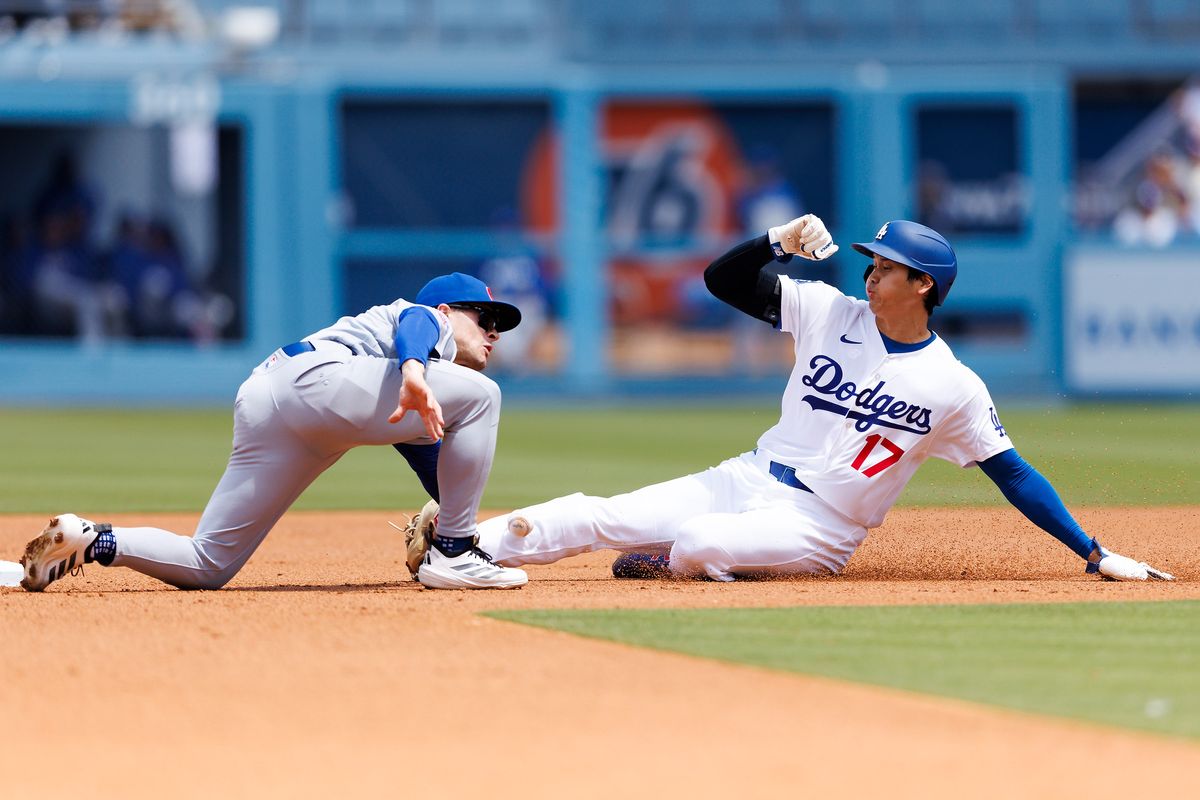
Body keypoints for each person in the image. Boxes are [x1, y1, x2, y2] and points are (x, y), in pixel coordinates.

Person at [422, 216, 1173, 583]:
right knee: (603, 512)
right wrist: (772, 242)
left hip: (823, 526)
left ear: (924, 287)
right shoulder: (830, 312)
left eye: (887, 267)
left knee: (702, 546)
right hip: (748, 474)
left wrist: (1093, 553)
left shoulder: (954, 386)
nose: (871, 274)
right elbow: (725, 282)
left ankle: (669, 561)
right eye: (872, 262)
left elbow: (1014, 473)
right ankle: (462, 546)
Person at [18, 272, 529, 591]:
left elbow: (435, 463)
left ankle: (90, 540)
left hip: (271, 402)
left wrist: (445, 514)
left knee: (209, 564)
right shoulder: (423, 324)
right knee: (486, 395)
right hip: (317, 379)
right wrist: (415, 369)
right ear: (447, 312)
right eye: (483, 317)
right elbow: (415, 325)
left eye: (498, 327)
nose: (492, 333)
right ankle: (457, 556)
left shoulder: (413, 397)